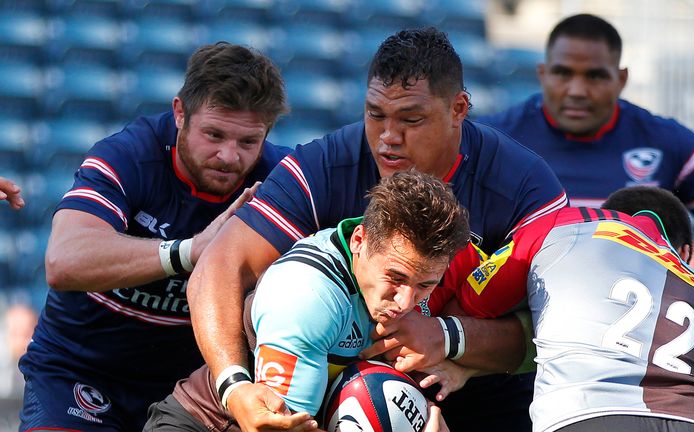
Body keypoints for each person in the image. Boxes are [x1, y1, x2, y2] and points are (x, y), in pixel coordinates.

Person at [184, 27, 567, 431]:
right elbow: (218, 268)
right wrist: (234, 385)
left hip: (477, 400)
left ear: (458, 108)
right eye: (375, 114)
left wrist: (451, 338)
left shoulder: (524, 186)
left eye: (411, 119)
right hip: (320, 392)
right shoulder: (327, 165)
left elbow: (562, 330)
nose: (387, 138)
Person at [18, 42, 291, 431]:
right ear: (180, 113)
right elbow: (64, 260)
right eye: (214, 135)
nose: (230, 156)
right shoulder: (128, 155)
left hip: (188, 392)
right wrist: (188, 252)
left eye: (248, 141)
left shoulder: (280, 178)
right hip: (80, 372)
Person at [145, 171, 467, 431]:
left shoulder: (412, 267)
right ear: (359, 241)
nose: (406, 301)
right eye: (395, 278)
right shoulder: (306, 297)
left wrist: (462, 368)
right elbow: (280, 429)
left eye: (425, 284)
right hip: (207, 424)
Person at [478, 13, 694, 297]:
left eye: (595, 76)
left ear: (621, 79)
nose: (577, 90)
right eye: (563, 73)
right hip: (517, 326)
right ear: (542, 73)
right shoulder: (492, 141)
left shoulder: (668, 143)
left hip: (632, 326)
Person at [425, 186, 694, 432]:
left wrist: (463, 360)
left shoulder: (568, 224)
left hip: (584, 416)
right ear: (684, 251)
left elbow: (468, 307)